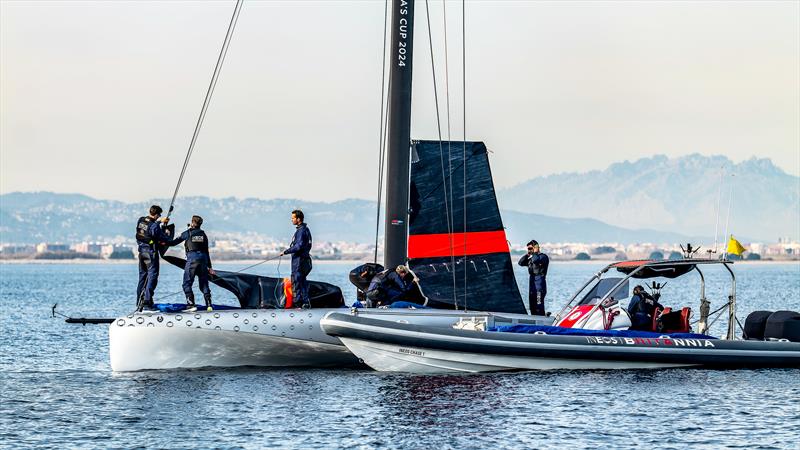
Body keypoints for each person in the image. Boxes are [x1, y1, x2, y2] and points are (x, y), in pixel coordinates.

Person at [168, 215, 216, 312]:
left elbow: (173, 243)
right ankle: (209, 305)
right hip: (203, 260)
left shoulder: (187, 233)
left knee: (186, 283)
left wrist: (164, 239)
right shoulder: (203, 234)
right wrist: (210, 267)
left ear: (193, 222)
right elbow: (206, 251)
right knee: (204, 284)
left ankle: (190, 305)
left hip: (192, 260)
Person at [135, 205, 174, 312]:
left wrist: (160, 223)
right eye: (159, 215)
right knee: (152, 276)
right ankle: (147, 302)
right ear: (156, 214)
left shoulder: (141, 220)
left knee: (143, 277)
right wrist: (166, 231)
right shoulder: (155, 225)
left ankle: (139, 301)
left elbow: (147, 230)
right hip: (150, 254)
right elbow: (162, 237)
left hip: (142, 253)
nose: (159, 217)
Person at [281, 209, 312, 308]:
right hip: (303, 261)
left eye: (293, 218)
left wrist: (286, 251)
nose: (292, 220)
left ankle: (299, 304)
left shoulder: (302, 231)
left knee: (297, 282)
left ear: (298, 219)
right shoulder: (304, 230)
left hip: (299, 262)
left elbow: (299, 246)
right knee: (302, 282)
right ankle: (305, 303)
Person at [517, 239, 549, 316]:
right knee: (532, 306)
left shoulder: (543, 257)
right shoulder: (531, 258)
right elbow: (520, 263)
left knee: (539, 304)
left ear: (536, 248)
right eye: (528, 249)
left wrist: (535, 252)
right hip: (532, 284)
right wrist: (527, 254)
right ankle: (534, 320)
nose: (529, 250)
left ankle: (541, 319)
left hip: (539, 285)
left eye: (531, 248)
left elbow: (535, 260)